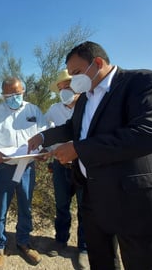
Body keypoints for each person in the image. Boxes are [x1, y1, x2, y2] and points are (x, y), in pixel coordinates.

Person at [28, 41, 152, 270]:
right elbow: (73, 128)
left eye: (77, 72)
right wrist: (42, 137)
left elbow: (148, 134)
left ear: (97, 63)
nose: (74, 79)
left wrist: (78, 149)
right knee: (101, 263)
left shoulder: (144, 83)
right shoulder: (86, 98)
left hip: (135, 201)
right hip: (94, 198)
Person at [0, 77, 48, 270]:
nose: (13, 98)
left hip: (27, 166)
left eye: (17, 94)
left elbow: (44, 132)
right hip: (5, 167)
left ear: (23, 91)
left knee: (25, 206)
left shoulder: (33, 110)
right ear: (3, 94)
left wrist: (43, 151)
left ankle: (23, 242)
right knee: (0, 208)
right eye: (9, 95)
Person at [44, 70, 88, 265]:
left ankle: (84, 249)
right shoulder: (54, 110)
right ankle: (60, 240)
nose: (64, 92)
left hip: (84, 166)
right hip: (61, 166)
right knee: (62, 206)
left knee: (85, 208)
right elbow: (44, 131)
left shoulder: (89, 106)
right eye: (61, 89)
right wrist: (52, 149)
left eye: (68, 87)